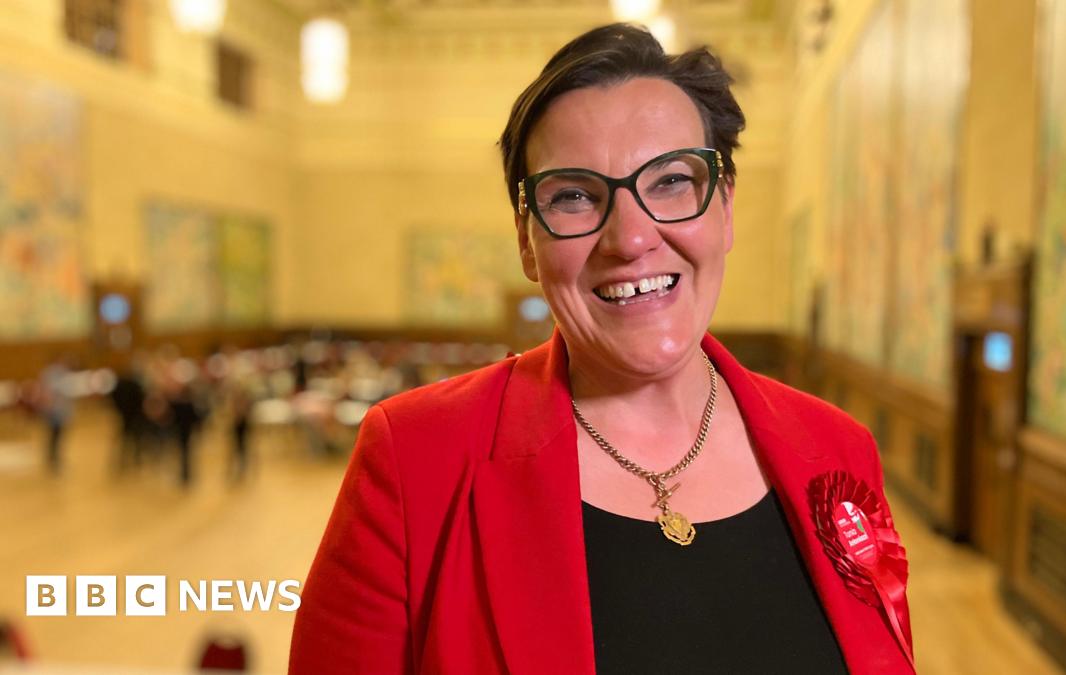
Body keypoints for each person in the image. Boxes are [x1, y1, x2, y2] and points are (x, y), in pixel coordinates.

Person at [290, 24, 913, 674]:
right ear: (528, 241)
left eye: (671, 180)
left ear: (724, 207)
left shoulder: (838, 451)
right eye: (575, 196)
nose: (631, 237)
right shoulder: (415, 459)